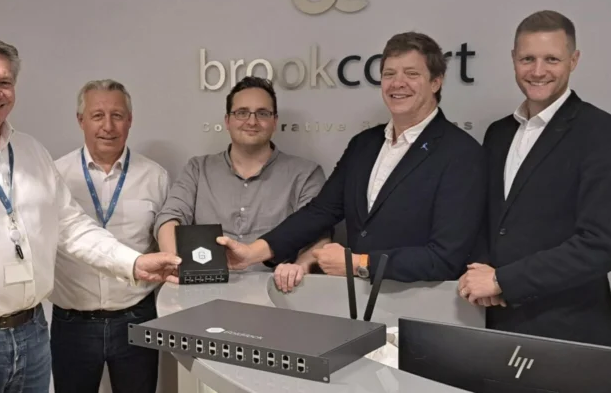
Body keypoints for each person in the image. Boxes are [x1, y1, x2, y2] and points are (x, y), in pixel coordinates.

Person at [0, 34, 180, 393]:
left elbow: (71, 226)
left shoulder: (31, 152)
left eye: (4, 82)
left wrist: (133, 263)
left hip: (31, 337)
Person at [217, 32, 487, 292]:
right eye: (389, 74)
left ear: (436, 82)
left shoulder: (461, 153)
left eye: (411, 74)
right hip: (358, 302)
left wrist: (358, 263)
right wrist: (251, 253)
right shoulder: (364, 145)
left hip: (422, 305)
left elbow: (445, 257)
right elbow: (320, 212)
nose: (398, 83)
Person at [459, 10, 611, 347]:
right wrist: (481, 272)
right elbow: (489, 220)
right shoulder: (498, 133)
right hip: (496, 322)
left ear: (573, 60)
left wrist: (503, 281)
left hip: (571, 332)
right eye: (527, 59)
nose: (537, 71)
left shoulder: (604, 133)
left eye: (552, 59)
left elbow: (601, 245)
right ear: (513, 59)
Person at [49, 80, 169, 393]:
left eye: (117, 115)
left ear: (130, 120)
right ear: (81, 120)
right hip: (72, 324)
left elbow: (163, 242)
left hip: (137, 319)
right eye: (97, 115)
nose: (108, 126)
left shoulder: (155, 177)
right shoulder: (55, 176)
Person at [155, 76, 327, 271]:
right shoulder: (197, 169)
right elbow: (170, 217)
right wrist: (176, 263)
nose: (252, 121)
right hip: (207, 285)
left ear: (274, 121)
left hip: (277, 287)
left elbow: (319, 236)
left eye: (262, 113)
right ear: (227, 121)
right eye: (242, 113)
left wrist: (299, 268)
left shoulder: (306, 174)